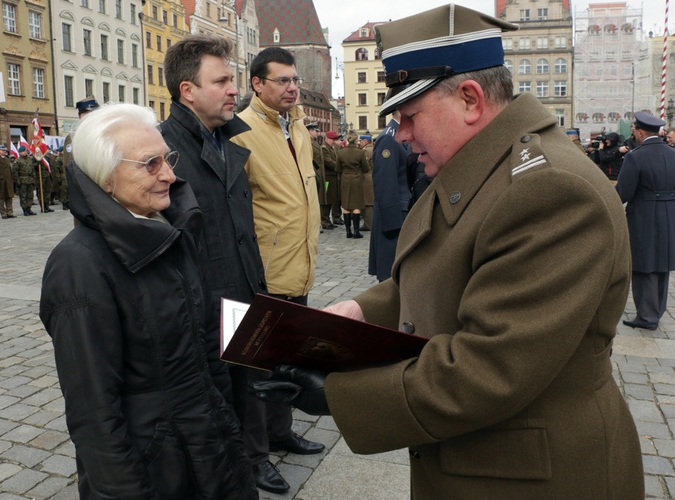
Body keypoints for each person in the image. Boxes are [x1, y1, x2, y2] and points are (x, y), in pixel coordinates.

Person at [252, 5, 644, 499]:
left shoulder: (550, 190)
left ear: (470, 99)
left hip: (535, 475)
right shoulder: (480, 163)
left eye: (410, 116)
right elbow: (439, 269)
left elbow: (489, 368)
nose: (401, 135)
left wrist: (337, 395)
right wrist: (355, 312)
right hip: (488, 459)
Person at [39, 103, 257, 499]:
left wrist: (225, 418)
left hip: (208, 443)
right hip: (154, 464)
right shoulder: (79, 264)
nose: (170, 175)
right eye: (149, 164)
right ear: (106, 178)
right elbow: (93, 412)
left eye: (168, 159)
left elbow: (206, 345)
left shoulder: (172, 229)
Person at [158, 34, 280, 493]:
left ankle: (255, 459)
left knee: (248, 386)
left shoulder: (227, 139)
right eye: (223, 80)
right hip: (201, 301)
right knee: (211, 398)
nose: (235, 89)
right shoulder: (162, 149)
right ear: (188, 90)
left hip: (243, 289)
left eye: (233, 79)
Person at [228, 46, 325, 493]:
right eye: (282, 81)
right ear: (257, 84)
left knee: (288, 360)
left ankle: (280, 432)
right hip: (263, 272)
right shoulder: (240, 131)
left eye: (294, 80)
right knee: (255, 370)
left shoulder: (299, 125)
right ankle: (253, 455)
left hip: (298, 265)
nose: (292, 87)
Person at [616, 112, 675, 331]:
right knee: (662, 265)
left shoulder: (636, 156)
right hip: (670, 213)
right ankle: (656, 311)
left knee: (643, 264)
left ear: (639, 131)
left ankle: (647, 316)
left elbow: (623, 193)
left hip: (644, 214)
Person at [368, 110, 411, 281]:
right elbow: (385, 183)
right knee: (390, 276)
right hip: (394, 218)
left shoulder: (398, 134)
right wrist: (393, 226)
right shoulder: (389, 138)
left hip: (401, 213)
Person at [337, 130, 369, 238]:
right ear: (356, 140)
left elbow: (337, 168)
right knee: (356, 205)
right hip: (357, 180)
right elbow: (366, 168)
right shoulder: (360, 152)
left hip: (345, 180)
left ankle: (348, 232)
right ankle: (356, 231)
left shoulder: (340, 152)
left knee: (346, 206)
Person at [307, 123, 329, 230]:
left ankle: (320, 221)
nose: (317, 133)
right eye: (316, 131)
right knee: (315, 199)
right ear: (310, 131)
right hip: (313, 173)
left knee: (320, 198)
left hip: (320, 173)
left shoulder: (314, 142)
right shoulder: (307, 142)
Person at [321, 130, 343, 227]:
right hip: (327, 179)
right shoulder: (324, 149)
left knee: (333, 199)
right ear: (327, 139)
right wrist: (340, 167)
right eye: (332, 139)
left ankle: (331, 219)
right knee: (326, 200)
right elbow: (329, 162)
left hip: (333, 178)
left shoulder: (332, 148)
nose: (334, 141)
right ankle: (325, 221)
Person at [0, 145, 16, 219]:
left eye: (5, 150)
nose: (5, 152)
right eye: (3, 150)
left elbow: (10, 170)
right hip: (0, 181)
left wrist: (12, 179)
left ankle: (10, 212)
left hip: (8, 181)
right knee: (1, 198)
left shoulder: (6, 159)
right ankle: (3, 213)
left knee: (9, 197)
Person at [13, 147, 37, 216]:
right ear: (20, 152)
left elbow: (32, 169)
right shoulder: (17, 161)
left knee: (30, 195)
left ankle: (29, 208)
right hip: (22, 180)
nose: (25, 152)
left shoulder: (29, 160)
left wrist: (34, 179)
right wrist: (18, 181)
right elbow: (15, 172)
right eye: (23, 151)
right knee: (23, 196)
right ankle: (25, 209)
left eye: (25, 151)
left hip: (30, 179)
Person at [359, 134, 374, 231]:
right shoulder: (374, 148)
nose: (360, 142)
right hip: (373, 176)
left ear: (365, 141)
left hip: (367, 177)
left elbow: (363, 165)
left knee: (367, 202)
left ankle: (368, 224)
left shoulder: (366, 151)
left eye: (361, 140)